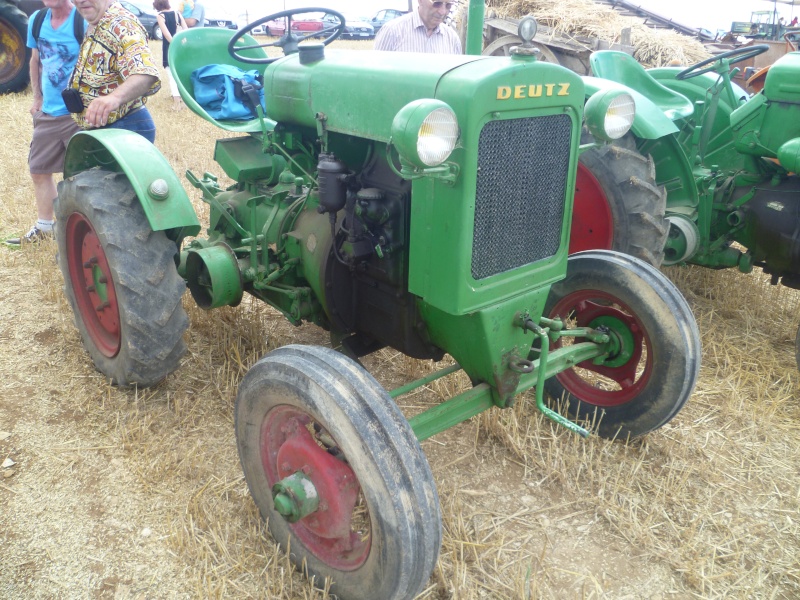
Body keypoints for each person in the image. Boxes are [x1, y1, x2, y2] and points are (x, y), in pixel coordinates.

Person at [6, 0, 84, 246]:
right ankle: (45, 227)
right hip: (48, 112)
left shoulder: (81, 20)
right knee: (39, 170)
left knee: (81, 176)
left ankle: (82, 234)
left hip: (77, 115)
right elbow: (34, 61)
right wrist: (37, 98)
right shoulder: (38, 20)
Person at [68, 0, 161, 143]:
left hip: (126, 129)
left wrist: (114, 98)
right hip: (105, 130)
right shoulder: (96, 21)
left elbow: (146, 73)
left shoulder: (123, 23)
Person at [374, 0, 461, 54]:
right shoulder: (392, 31)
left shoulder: (452, 38)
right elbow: (375, 76)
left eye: (448, 5)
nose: (442, 11)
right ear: (420, 0)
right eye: (437, 3)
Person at [154, 0, 186, 110]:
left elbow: (166, 34)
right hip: (181, 48)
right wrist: (182, 44)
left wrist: (174, 45)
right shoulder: (177, 13)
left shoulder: (160, 16)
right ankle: (185, 100)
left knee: (171, 75)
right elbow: (186, 30)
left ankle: (177, 103)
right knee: (180, 74)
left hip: (170, 47)